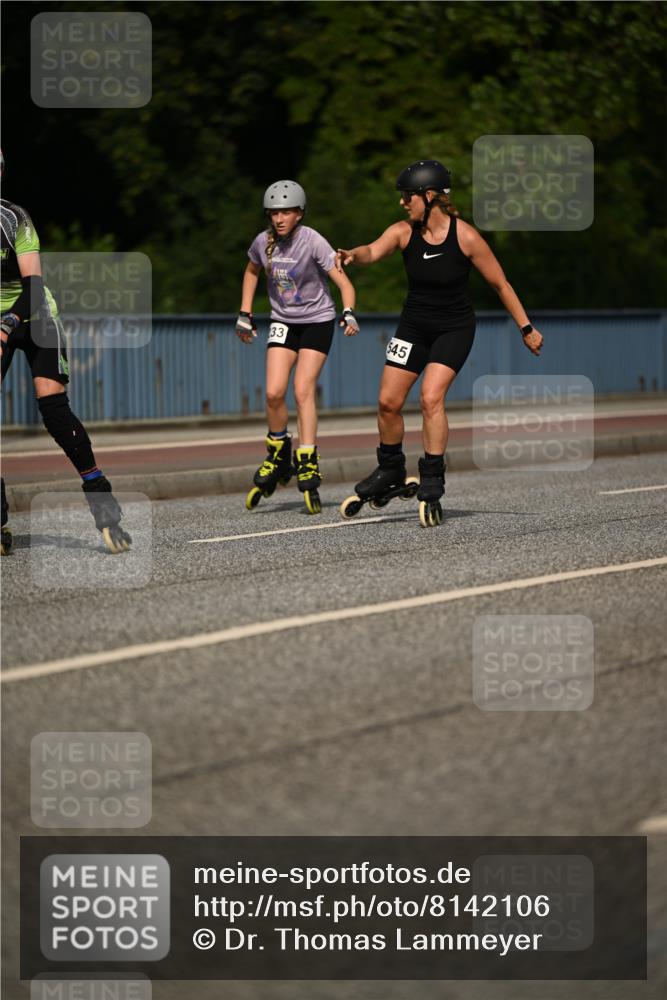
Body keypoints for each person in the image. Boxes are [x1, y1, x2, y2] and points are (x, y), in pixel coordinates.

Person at [336, 159, 544, 528]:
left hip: (454, 328)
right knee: (388, 402)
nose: (402, 203)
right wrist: (353, 255)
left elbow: (501, 284)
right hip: (414, 326)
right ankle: (390, 470)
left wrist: (525, 327)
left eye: (407, 197)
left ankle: (432, 476)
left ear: (429, 196)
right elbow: (372, 250)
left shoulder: (465, 236)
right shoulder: (403, 232)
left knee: (431, 397)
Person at [0, 150, 131, 554]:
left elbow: (34, 288)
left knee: (53, 408)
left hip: (34, 314)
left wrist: (6, 325)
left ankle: (99, 492)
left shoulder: (14, 219)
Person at [236, 179, 359, 514]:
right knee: (275, 392)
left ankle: (307, 457)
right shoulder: (263, 242)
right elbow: (251, 271)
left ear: (300, 213)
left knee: (303, 389)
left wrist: (348, 312)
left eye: (287, 212)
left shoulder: (314, 241)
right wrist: (245, 313)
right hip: (283, 321)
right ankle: (278, 453)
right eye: (275, 212)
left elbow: (343, 282)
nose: (280, 218)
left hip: (317, 321)